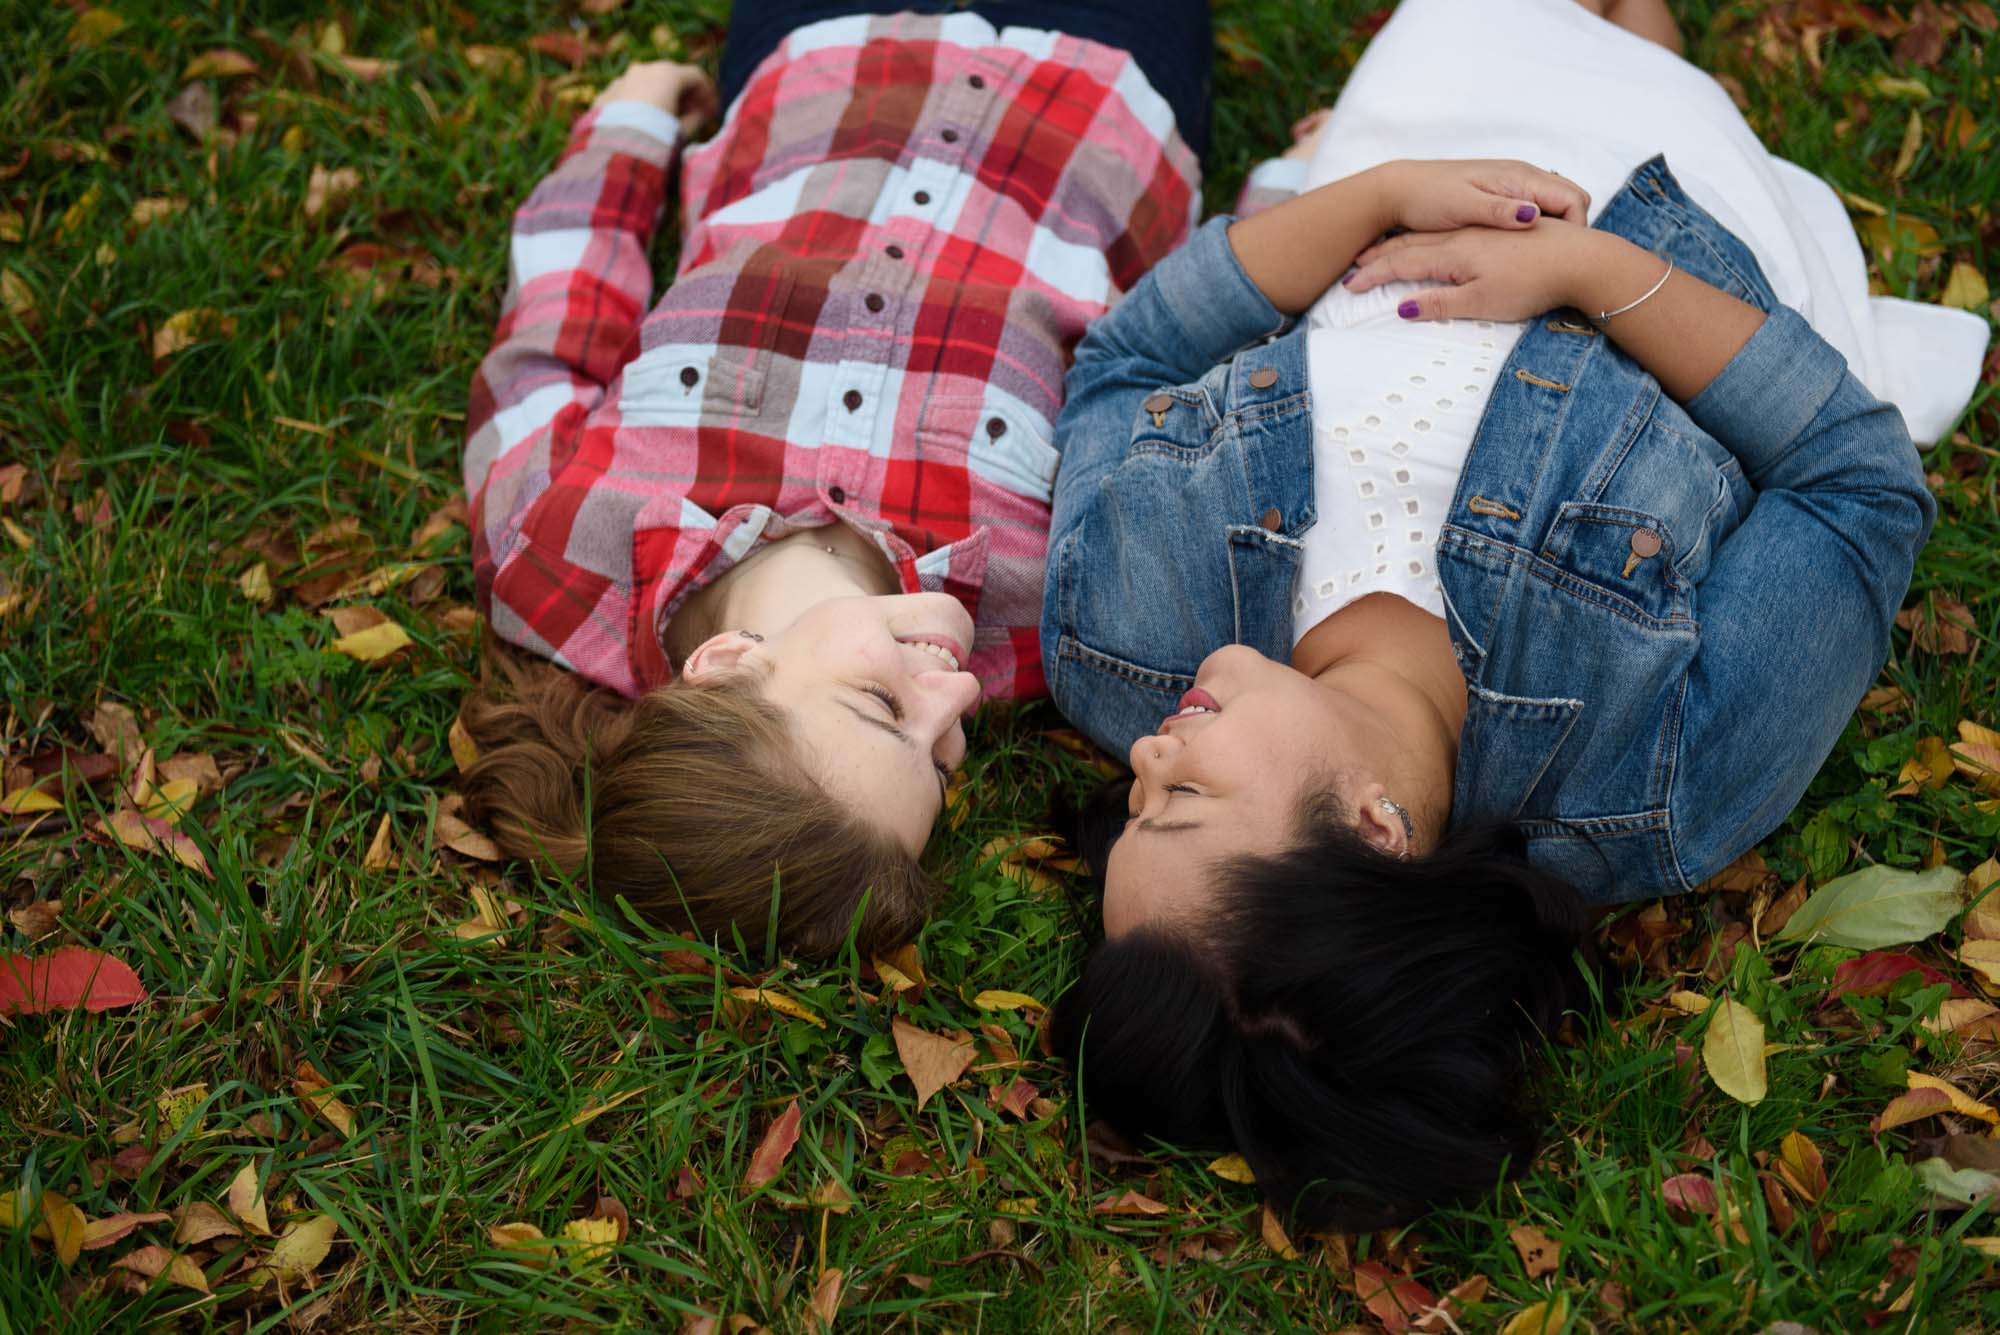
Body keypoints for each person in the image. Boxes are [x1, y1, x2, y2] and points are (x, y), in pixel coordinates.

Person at [1042, 0, 1988, 1228]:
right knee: (1632, 37)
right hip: (1678, 215)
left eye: (1133, 805)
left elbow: (1124, 366)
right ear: (1375, 834)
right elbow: (1854, 485)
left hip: (1416, 143)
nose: (1148, 754)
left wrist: (1371, 198)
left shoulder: (1110, 641)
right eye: (1185, 800)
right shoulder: (1651, 777)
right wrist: (1597, 275)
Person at [457, 2, 1302, 956]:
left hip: (825, 54)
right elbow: (1192, 396)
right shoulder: (1051, 617)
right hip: (1105, 94)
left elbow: (555, 317)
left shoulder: (552, 542)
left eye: (882, 706)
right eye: (942, 759)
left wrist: (628, 128)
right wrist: (1293, 205)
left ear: (729, 664)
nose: (956, 701)